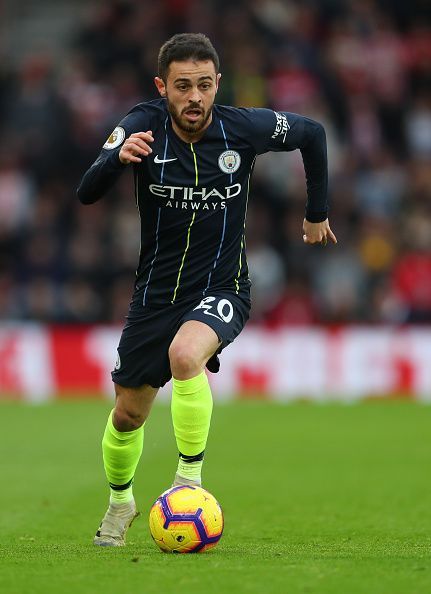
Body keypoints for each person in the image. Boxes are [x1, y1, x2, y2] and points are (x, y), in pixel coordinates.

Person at [77, 32, 337, 547]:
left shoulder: (243, 129)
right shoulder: (140, 125)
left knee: (185, 354)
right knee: (128, 414)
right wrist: (117, 158)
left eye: (203, 85)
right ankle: (119, 503)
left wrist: (316, 213)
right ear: (162, 87)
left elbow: (313, 133)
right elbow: (87, 192)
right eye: (182, 87)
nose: (194, 97)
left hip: (223, 285)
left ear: (217, 83)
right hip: (155, 294)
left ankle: (187, 481)